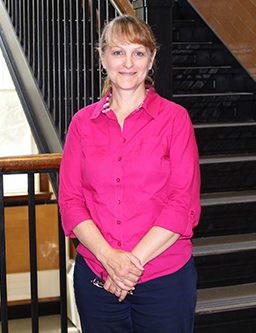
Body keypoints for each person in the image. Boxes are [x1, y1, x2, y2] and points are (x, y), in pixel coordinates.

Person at [59, 15, 201, 333]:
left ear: (151, 59)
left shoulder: (175, 120)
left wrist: (127, 267)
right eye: (118, 52)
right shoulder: (81, 124)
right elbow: (70, 200)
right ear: (103, 57)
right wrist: (109, 258)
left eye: (138, 52)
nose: (127, 63)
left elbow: (183, 204)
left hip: (165, 280)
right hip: (97, 279)